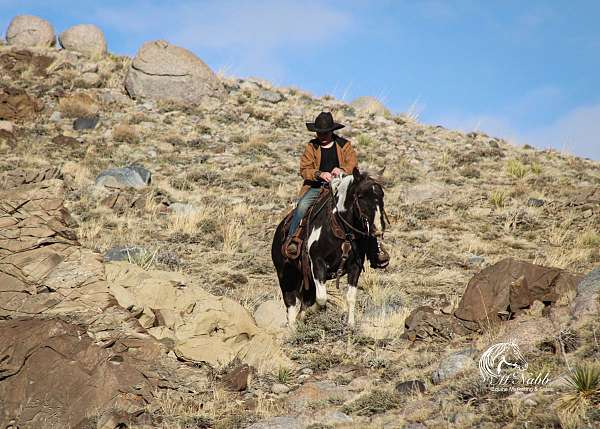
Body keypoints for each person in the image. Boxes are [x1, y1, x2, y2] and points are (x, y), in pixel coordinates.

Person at [285, 111, 389, 268]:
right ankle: (294, 239)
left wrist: (341, 170)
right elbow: (304, 169)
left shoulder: (344, 145)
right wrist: (320, 174)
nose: (322, 135)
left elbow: (352, 164)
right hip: (317, 187)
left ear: (331, 131)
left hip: (342, 186)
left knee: (362, 209)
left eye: (325, 132)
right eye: (320, 132)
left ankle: (375, 249)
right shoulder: (311, 147)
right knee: (302, 206)